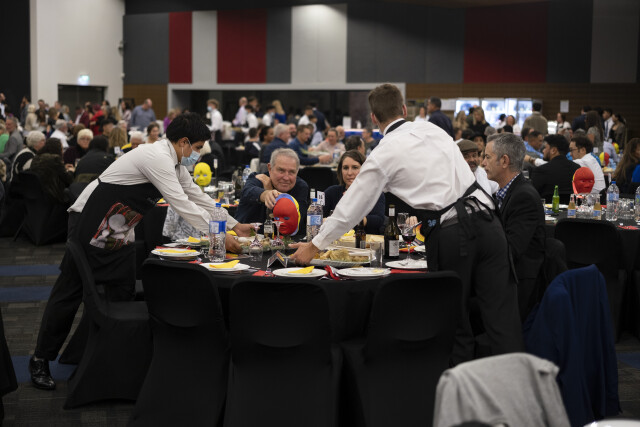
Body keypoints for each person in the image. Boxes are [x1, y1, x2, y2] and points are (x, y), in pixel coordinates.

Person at [290, 84, 523, 365]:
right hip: (489, 222)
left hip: (454, 233)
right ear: (403, 109)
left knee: (455, 325)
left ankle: (459, 390)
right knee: (503, 320)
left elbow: (351, 207)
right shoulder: (433, 130)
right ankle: (518, 387)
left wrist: (314, 245)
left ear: (374, 119)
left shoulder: (383, 153)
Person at [29, 113, 250, 391]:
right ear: (183, 142)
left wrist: (235, 224)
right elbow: (181, 203)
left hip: (119, 226)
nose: (197, 154)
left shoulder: (176, 164)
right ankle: (41, 358)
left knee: (121, 291)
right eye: (196, 148)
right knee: (70, 291)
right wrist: (218, 233)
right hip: (90, 219)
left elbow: (198, 196)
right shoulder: (156, 157)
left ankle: (98, 357)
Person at [482, 133, 545, 321]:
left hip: (519, 283)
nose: (483, 163)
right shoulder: (506, 192)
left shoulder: (523, 196)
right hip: (507, 274)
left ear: (504, 161)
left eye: (487, 157)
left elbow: (511, 250)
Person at [235, 148, 309, 236]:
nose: (286, 177)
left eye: (291, 172)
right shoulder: (258, 179)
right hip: (246, 238)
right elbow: (247, 191)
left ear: (297, 172)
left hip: (283, 241)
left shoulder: (301, 187)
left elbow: (295, 222)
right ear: (270, 168)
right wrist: (265, 194)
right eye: (281, 171)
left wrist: (274, 195)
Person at [323, 150, 385, 234]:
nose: (349, 173)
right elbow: (314, 215)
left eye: (355, 167)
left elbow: (378, 220)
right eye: (345, 168)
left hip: (365, 240)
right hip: (336, 240)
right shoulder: (331, 192)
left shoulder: (375, 193)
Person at [530, 134, 580, 202]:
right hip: (572, 208)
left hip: (547, 208)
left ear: (553, 150)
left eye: (545, 148)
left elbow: (532, 196)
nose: (543, 151)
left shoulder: (540, 171)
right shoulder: (577, 169)